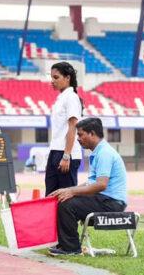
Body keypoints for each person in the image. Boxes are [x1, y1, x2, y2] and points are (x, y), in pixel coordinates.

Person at [48, 117, 128, 256]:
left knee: (67, 204)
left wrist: (72, 191)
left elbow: (101, 185)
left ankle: (71, 248)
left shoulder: (104, 153)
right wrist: (67, 190)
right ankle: (66, 245)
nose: (78, 138)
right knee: (64, 198)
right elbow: (91, 183)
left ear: (92, 134)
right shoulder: (98, 152)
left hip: (112, 203)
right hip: (104, 200)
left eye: (80, 134)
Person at [45, 61, 84, 196]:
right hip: (55, 151)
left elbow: (73, 126)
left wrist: (66, 155)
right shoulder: (61, 98)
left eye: (56, 77)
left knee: (65, 199)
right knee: (50, 196)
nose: (52, 81)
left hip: (66, 153)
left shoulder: (72, 98)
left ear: (67, 78)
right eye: (51, 77)